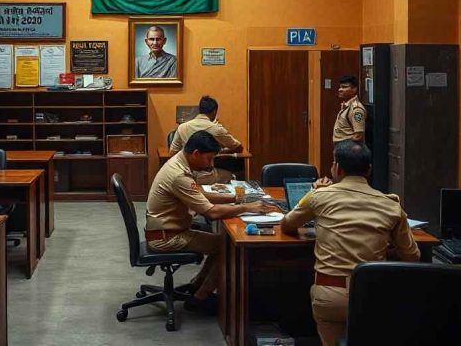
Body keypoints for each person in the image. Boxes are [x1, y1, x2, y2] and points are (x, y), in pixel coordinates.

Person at [281, 140, 420, 346]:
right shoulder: (391, 205)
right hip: (373, 296)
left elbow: (287, 225)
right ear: (369, 169)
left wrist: (313, 193)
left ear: (337, 167)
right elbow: (412, 256)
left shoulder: (319, 196)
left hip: (331, 296)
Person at [146, 130, 278, 314]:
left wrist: (238, 198)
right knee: (229, 247)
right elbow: (211, 212)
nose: (210, 164)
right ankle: (201, 298)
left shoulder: (179, 163)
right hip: (166, 237)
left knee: (220, 244)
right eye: (208, 158)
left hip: (167, 230)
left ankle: (196, 287)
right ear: (196, 153)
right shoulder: (178, 175)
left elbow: (201, 195)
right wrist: (246, 208)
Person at [169, 95, 243, 184]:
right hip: (206, 175)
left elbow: (172, 152)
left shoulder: (182, 127)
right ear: (214, 111)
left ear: (199, 110)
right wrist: (220, 152)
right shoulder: (216, 129)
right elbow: (239, 148)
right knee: (231, 175)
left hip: (185, 174)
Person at [332, 75, 366, 143]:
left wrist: (346, 147)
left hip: (348, 150)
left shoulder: (356, 109)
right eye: (340, 87)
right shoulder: (346, 106)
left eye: (344, 87)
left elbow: (359, 135)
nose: (340, 89)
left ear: (354, 89)